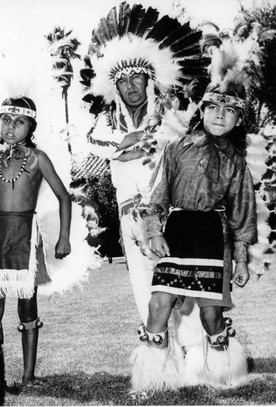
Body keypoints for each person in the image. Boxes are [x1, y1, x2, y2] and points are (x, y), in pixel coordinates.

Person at [81, 2, 208, 355]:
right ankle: (161, 361)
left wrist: (135, 148)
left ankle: (196, 355)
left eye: (136, 77)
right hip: (129, 215)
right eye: (122, 81)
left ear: (148, 79)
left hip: (170, 212)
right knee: (143, 286)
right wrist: (129, 142)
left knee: (181, 285)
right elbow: (92, 142)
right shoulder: (108, 121)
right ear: (115, 89)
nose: (130, 86)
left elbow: (176, 146)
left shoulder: (169, 111)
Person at [131, 79, 257, 391]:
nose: (219, 115)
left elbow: (243, 215)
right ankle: (154, 379)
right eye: (213, 106)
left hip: (212, 236)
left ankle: (225, 374)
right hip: (177, 232)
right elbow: (155, 193)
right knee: (158, 305)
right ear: (201, 110)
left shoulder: (237, 162)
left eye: (229, 111)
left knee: (211, 316)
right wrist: (153, 231)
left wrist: (240, 261)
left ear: (239, 120)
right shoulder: (175, 148)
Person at [0, 96, 71, 386]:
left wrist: (64, 237)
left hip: (26, 233)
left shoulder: (38, 159)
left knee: (27, 306)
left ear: (31, 126)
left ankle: (28, 376)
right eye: (6, 120)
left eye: (19, 121)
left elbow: (64, 196)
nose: (11, 126)